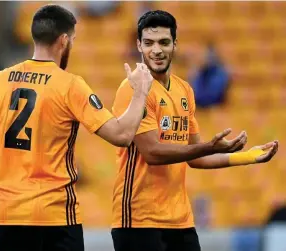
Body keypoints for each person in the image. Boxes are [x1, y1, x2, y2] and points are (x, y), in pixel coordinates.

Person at [0, 4, 152, 251]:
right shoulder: (70, 85)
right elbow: (122, 135)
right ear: (64, 40)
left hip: (7, 218)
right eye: (72, 39)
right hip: (56, 219)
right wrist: (140, 93)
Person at [110, 10, 279, 251]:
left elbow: (197, 158)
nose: (156, 50)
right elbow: (153, 153)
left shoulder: (184, 90)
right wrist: (207, 146)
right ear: (138, 45)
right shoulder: (133, 89)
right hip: (139, 220)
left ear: (175, 44)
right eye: (148, 43)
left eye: (164, 42)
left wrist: (248, 156)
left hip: (180, 220)